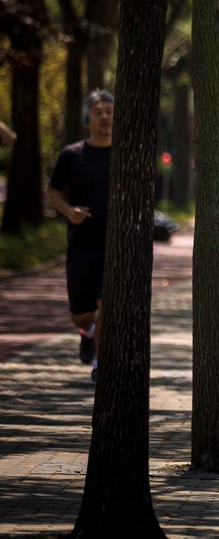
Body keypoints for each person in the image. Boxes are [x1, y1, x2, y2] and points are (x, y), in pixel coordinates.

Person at [45, 90, 114, 384]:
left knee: (105, 304)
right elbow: (51, 190)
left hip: (115, 247)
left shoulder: (126, 153)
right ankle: (86, 333)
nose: (105, 117)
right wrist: (68, 211)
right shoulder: (72, 155)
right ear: (87, 119)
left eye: (110, 111)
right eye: (98, 112)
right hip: (82, 246)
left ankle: (100, 363)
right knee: (83, 315)